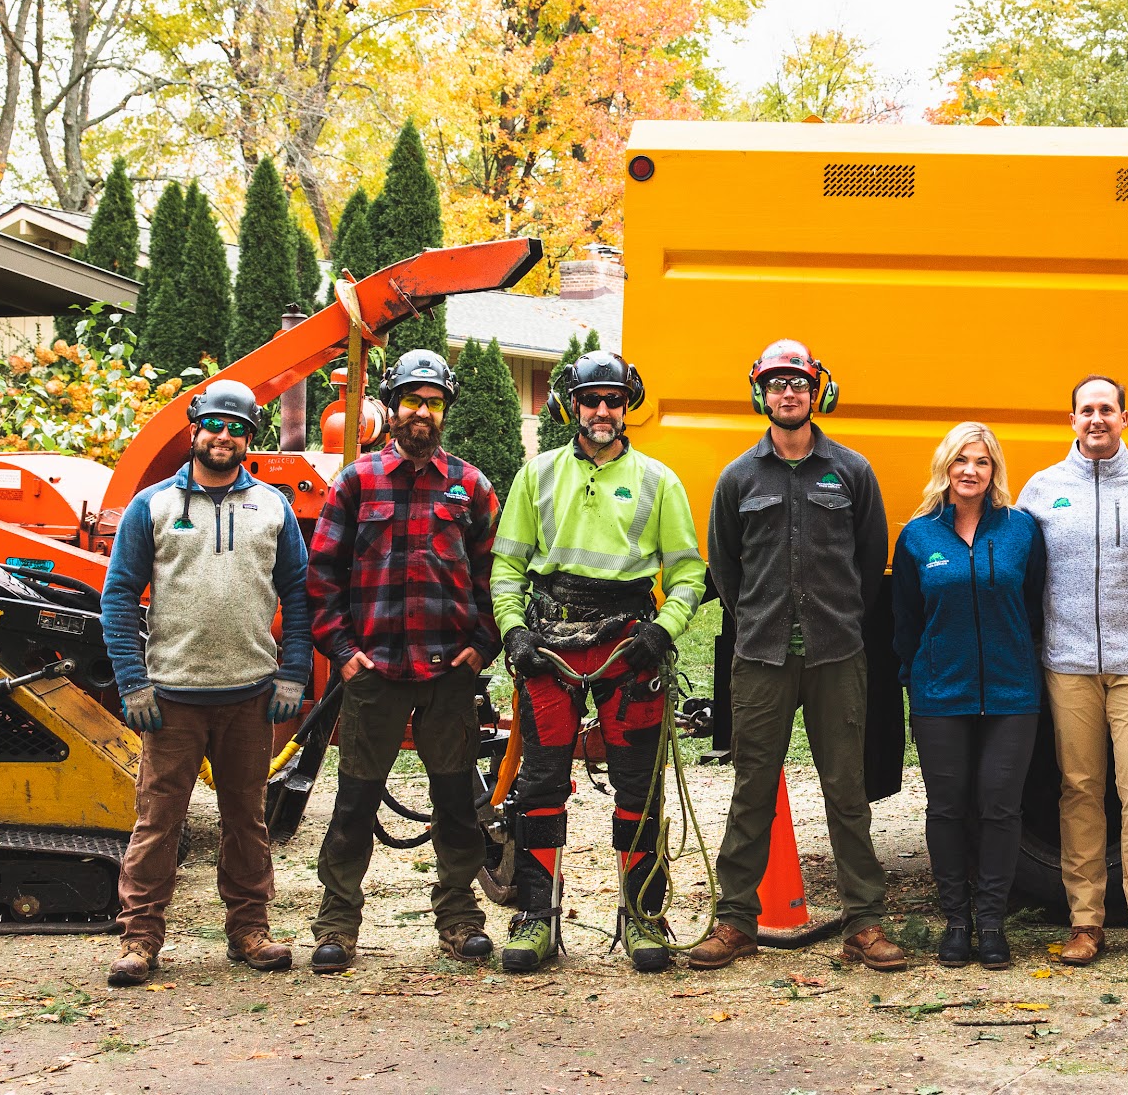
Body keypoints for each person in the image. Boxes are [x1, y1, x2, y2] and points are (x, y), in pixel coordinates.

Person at [491, 350, 708, 973]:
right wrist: (513, 631)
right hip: (549, 647)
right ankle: (537, 918)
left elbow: (689, 573)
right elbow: (508, 565)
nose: (603, 411)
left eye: (614, 400)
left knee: (639, 787)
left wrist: (663, 633)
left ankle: (644, 916)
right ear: (571, 405)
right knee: (538, 784)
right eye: (592, 400)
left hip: (629, 647)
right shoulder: (536, 476)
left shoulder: (659, 481)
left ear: (627, 405)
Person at [691, 340, 903, 972]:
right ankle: (735, 921)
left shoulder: (852, 472)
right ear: (761, 392)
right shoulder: (738, 478)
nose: (789, 393)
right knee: (753, 787)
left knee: (847, 788)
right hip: (761, 657)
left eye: (800, 383)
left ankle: (864, 922)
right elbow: (725, 568)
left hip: (838, 654)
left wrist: (837, 617)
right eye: (777, 384)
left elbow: (871, 562)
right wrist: (761, 617)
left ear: (817, 392)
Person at [99, 380, 311, 986]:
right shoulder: (154, 507)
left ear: (250, 437)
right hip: (171, 699)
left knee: (247, 818)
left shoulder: (272, 508)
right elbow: (118, 597)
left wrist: (293, 671)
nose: (224, 436)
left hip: (249, 697)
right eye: (214, 424)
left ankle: (249, 930)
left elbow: (298, 595)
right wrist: (133, 681)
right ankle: (140, 938)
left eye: (237, 428)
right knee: (158, 821)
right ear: (195, 429)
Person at [306, 349, 501, 973]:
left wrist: (483, 644)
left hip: (449, 671)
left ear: (445, 411)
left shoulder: (469, 486)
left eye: (434, 402)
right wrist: (342, 651)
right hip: (376, 671)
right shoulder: (358, 482)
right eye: (413, 401)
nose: (422, 413)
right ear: (391, 408)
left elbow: (494, 575)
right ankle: (337, 922)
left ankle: (460, 915)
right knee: (355, 802)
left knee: (454, 799)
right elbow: (323, 575)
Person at [1017, 375, 1128, 972]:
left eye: (1106, 410)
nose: (1096, 420)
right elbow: (1019, 565)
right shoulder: (1042, 490)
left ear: (1124, 418)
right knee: (1079, 790)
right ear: (1071, 420)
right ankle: (1084, 922)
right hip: (1068, 664)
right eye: (1085, 410)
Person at [892, 422, 1046, 971]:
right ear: (945, 467)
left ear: (994, 469)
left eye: (981, 461)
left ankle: (993, 922)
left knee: (1001, 807)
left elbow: (1033, 607)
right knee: (949, 809)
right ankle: (957, 922)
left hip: (1011, 696)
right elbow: (906, 620)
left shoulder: (1021, 531)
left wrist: (1017, 662)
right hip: (940, 695)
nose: (970, 471)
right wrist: (917, 675)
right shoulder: (917, 536)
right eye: (961, 460)